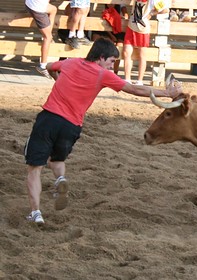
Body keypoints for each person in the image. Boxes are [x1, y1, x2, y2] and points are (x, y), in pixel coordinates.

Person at [24, 38, 183, 224]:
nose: (112, 65)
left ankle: (35, 213)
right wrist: (167, 93)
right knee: (57, 159)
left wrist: (58, 80)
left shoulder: (70, 62)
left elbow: (49, 66)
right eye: (111, 61)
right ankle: (60, 179)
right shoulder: (102, 75)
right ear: (101, 58)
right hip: (72, 126)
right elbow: (133, 89)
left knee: (34, 168)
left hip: (49, 118)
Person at [123, 0, 168, 85]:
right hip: (132, 25)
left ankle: (140, 80)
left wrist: (151, 14)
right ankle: (127, 79)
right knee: (126, 52)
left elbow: (165, 9)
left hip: (142, 28)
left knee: (142, 55)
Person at [25, 0, 57, 79]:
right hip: (37, 8)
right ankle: (42, 66)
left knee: (53, 9)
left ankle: (49, 32)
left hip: (29, 3)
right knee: (47, 38)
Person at [93, 4, 129, 74]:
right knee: (97, 39)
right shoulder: (104, 9)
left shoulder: (120, 5)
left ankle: (115, 71)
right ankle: (99, 68)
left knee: (119, 46)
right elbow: (104, 25)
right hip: (107, 30)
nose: (111, 4)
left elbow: (126, 16)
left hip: (118, 30)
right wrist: (112, 37)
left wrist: (122, 18)